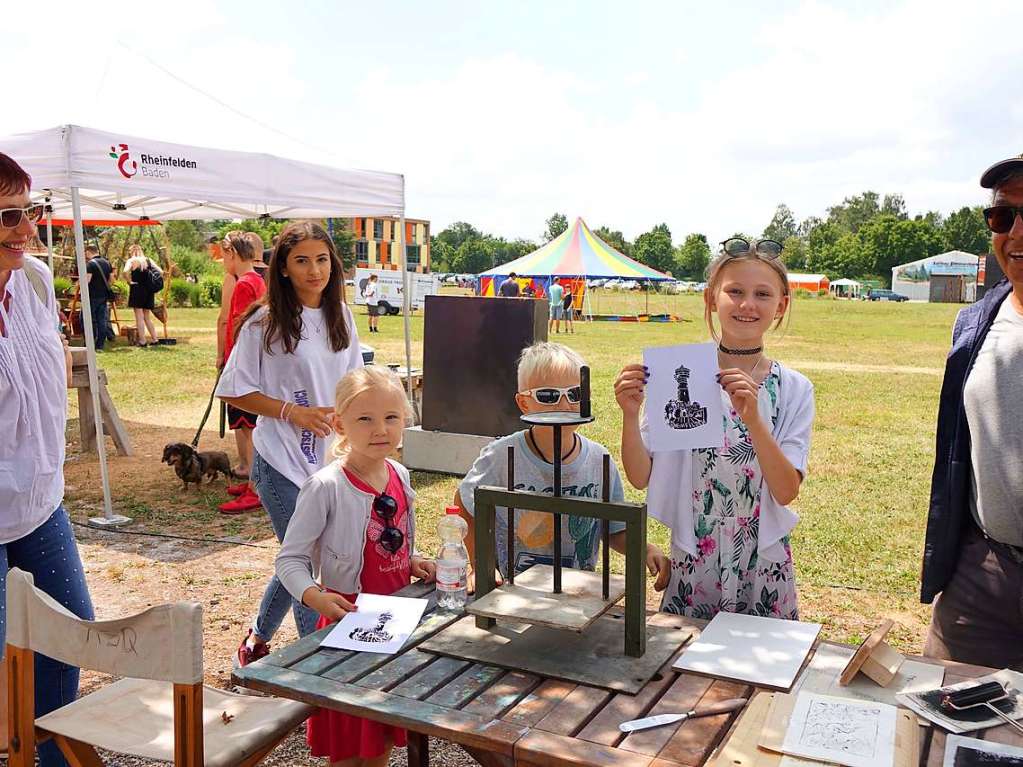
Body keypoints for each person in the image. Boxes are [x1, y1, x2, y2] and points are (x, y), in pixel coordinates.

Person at [616, 238, 814, 620]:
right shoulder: (678, 374)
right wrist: (629, 413)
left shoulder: (792, 389)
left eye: (762, 294)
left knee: (761, 673)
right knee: (684, 667)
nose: (747, 304)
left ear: (781, 305)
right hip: (696, 554)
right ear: (711, 298)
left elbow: (786, 490)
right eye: (735, 291)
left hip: (762, 560)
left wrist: (754, 420)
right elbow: (641, 477)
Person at [216, 221, 364, 667]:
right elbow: (233, 389)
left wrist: (352, 414)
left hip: (328, 462)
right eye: (301, 260)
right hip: (280, 461)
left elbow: (354, 379)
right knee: (307, 561)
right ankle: (314, 663)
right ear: (282, 267)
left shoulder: (342, 313)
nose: (314, 270)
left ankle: (258, 636)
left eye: (321, 259)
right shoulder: (264, 322)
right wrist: (291, 411)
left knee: (296, 555)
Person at [277, 366, 435, 767]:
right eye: (364, 418)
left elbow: (388, 539)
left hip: (393, 623)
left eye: (391, 417)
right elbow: (290, 559)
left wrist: (411, 561)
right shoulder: (326, 487)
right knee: (349, 746)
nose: (380, 429)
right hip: (346, 625)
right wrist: (316, 596)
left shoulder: (399, 474)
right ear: (339, 423)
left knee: (378, 738)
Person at [0, 152, 95, 766]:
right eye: (9, 217)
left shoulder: (31, 280)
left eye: (29, 210)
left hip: (38, 504)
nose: (28, 229)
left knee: (69, 639)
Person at [454, 342, 670, 590]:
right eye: (549, 396)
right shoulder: (502, 455)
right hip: (513, 590)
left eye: (575, 394)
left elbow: (614, 530)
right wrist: (479, 564)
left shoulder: (600, 460)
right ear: (524, 403)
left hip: (577, 593)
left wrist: (645, 549)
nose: (565, 406)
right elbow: (465, 503)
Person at [922, 155, 1023, 670]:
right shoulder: (976, 324)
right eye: (1004, 217)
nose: (1017, 232)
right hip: (984, 574)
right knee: (940, 729)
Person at [218, 231, 266, 514]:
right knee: (248, 426)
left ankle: (254, 487)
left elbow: (238, 326)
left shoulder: (244, 283)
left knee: (248, 428)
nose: (224, 262)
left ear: (233, 253)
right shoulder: (256, 280)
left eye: (224, 256)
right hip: (248, 364)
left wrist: (231, 361)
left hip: (243, 365)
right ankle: (251, 480)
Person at [123, 243, 161, 347]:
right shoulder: (148, 260)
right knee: (147, 317)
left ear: (131, 252)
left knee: (139, 317)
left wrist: (129, 281)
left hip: (137, 289)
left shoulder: (131, 261)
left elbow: (125, 271)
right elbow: (160, 271)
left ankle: (143, 341)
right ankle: (155, 339)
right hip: (148, 291)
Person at [83, 244, 113, 350]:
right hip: (103, 295)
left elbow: (87, 280)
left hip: (92, 295)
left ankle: (89, 341)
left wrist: (79, 286)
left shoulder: (90, 264)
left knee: (85, 318)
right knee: (102, 319)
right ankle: (100, 344)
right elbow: (111, 279)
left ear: (88, 252)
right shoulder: (107, 262)